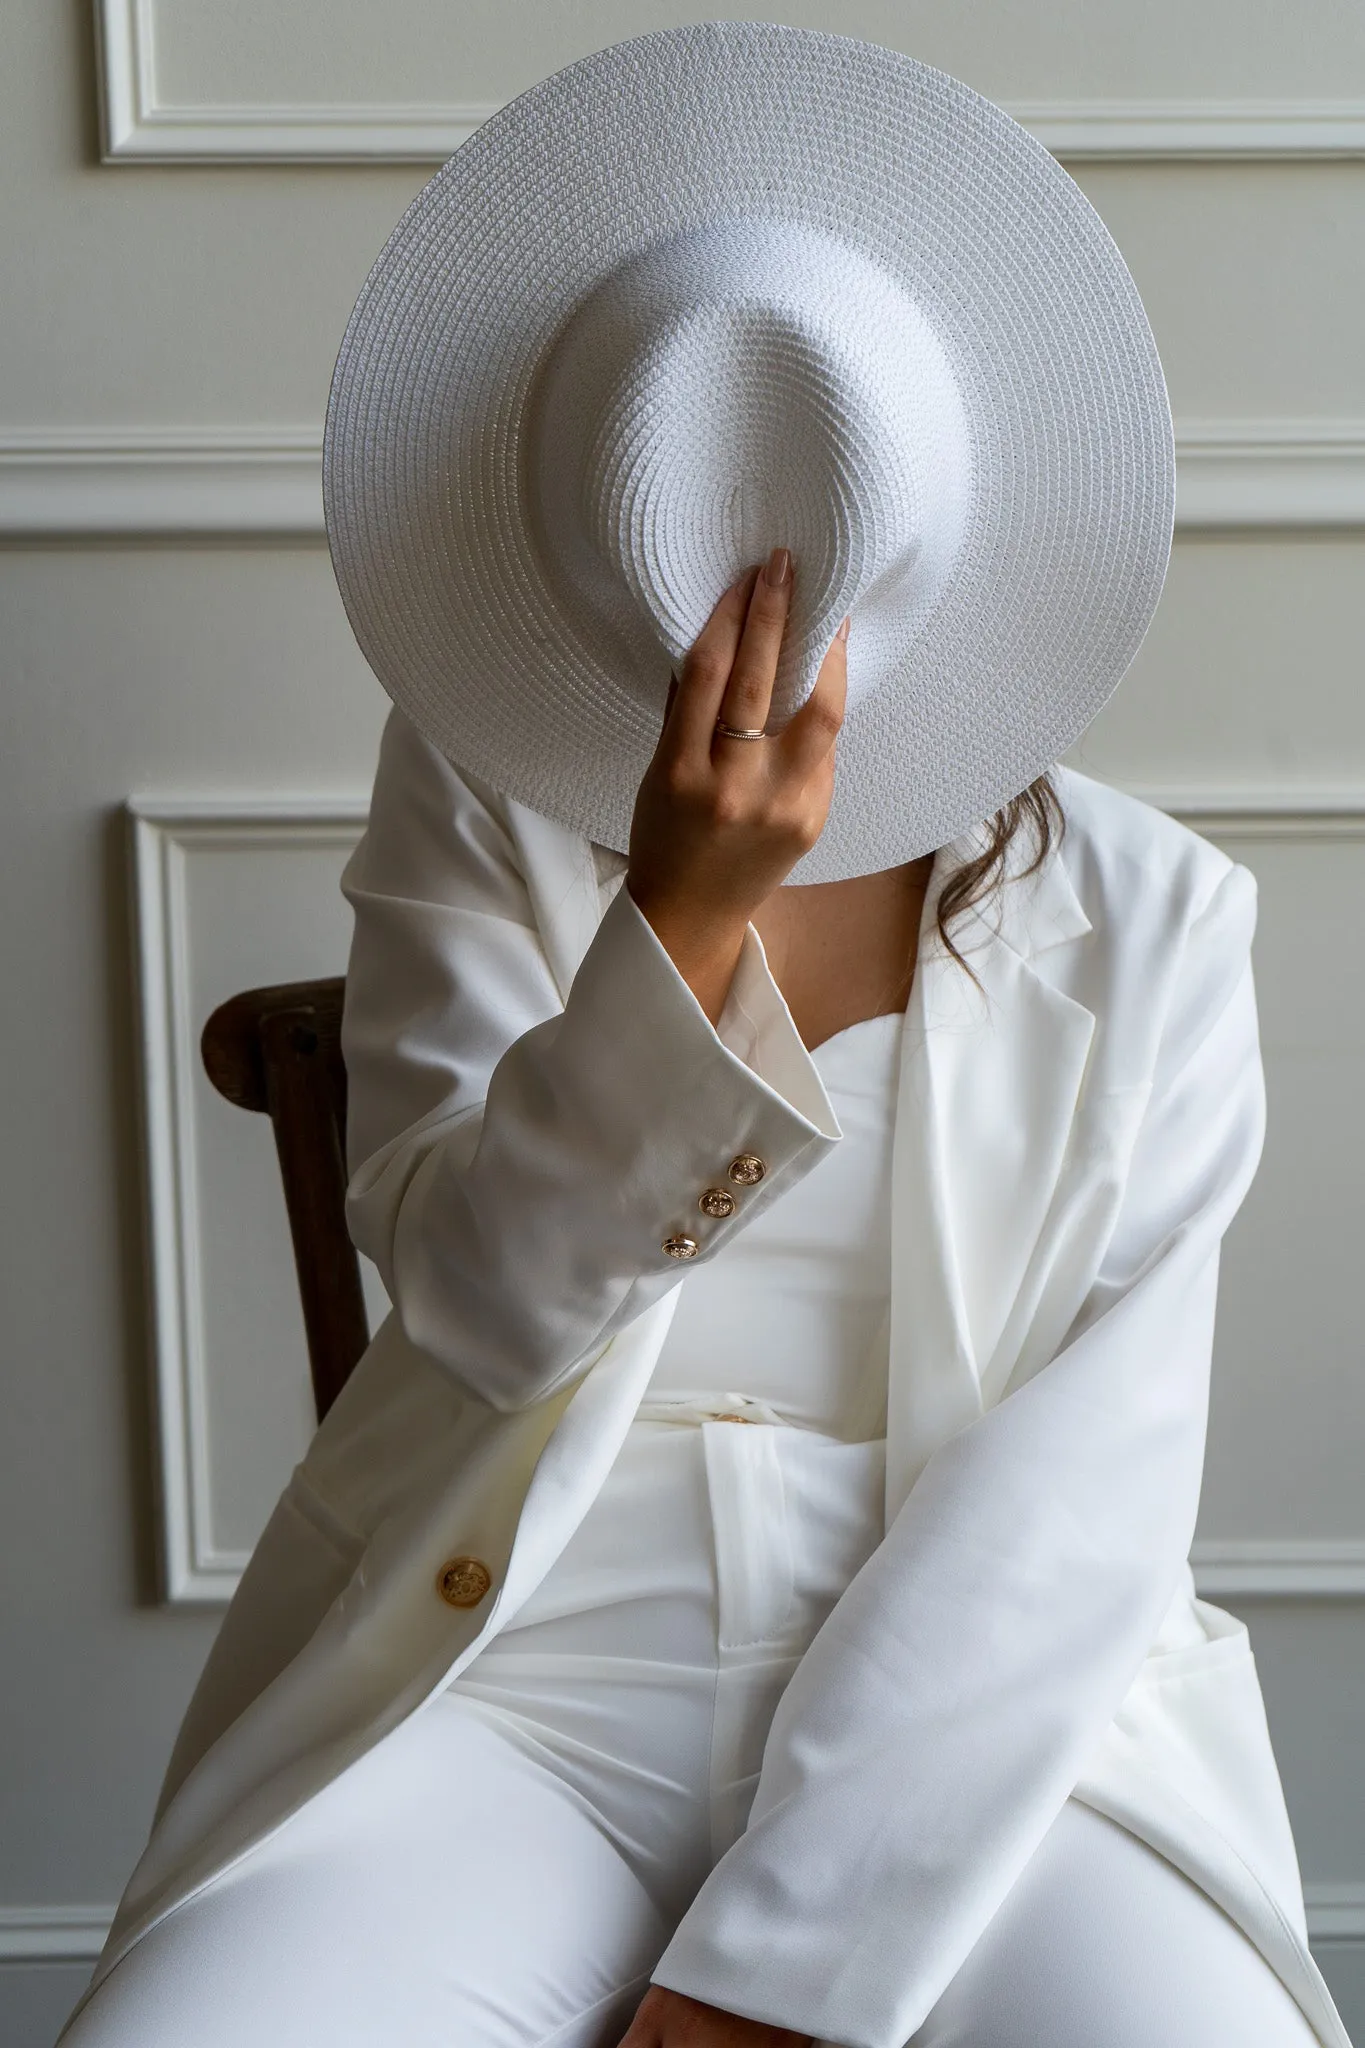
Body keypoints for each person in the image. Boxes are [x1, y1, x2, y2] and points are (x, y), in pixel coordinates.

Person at [56, 21, 1353, 2048]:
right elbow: (473, 1304)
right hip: (511, 1674)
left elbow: (1071, 1513)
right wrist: (678, 914)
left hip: (999, 1729)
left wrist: (782, 1974)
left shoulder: (1158, 922)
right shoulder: (478, 802)